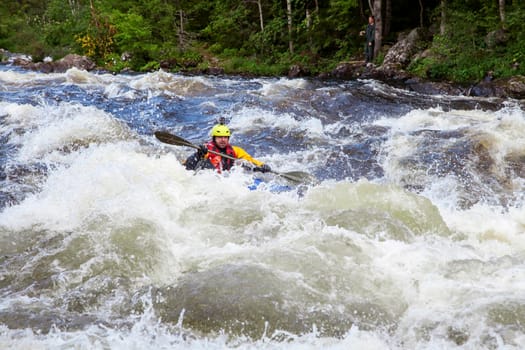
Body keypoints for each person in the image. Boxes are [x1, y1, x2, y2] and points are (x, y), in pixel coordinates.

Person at [184, 122, 271, 174]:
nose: (223, 140)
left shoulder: (236, 150)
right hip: (210, 177)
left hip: (226, 179)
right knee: (203, 161)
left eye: (225, 137)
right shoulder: (206, 149)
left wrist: (261, 166)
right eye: (219, 137)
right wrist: (199, 155)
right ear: (214, 138)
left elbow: (250, 160)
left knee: (244, 164)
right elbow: (187, 165)